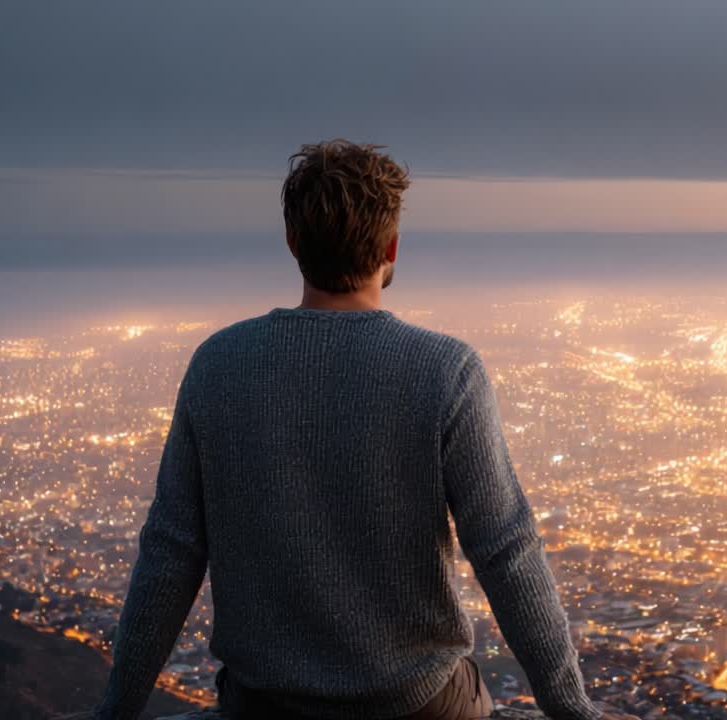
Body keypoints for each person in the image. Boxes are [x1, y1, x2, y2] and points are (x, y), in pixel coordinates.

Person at [94, 140, 605, 720]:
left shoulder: (218, 364)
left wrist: (115, 711)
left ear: (293, 244)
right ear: (391, 248)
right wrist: (573, 710)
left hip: (263, 705)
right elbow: (506, 550)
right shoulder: (445, 370)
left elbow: (171, 551)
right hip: (415, 705)